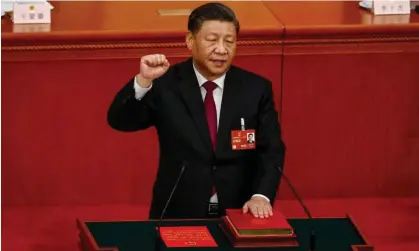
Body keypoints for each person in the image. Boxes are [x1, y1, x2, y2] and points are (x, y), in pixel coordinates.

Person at [107, 2, 286, 219]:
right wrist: (143, 81)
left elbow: (271, 150)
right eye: (212, 40)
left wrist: (261, 195)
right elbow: (121, 120)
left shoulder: (256, 89)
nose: (221, 49)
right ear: (190, 41)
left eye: (229, 41)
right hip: (178, 212)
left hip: (239, 212)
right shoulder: (167, 84)